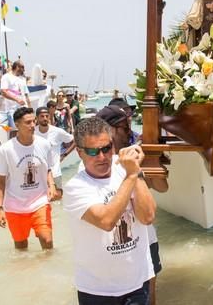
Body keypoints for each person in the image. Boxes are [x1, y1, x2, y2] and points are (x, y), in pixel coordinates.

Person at [62, 117, 156, 304]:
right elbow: (106, 221)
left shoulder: (128, 168)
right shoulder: (75, 187)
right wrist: (131, 175)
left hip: (138, 282)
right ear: (80, 153)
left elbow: (148, 217)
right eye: (93, 151)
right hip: (97, 289)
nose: (102, 157)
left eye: (106, 148)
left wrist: (135, 172)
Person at [0, 107, 56, 250]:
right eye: (28, 122)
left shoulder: (44, 144)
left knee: (47, 241)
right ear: (17, 125)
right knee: (21, 247)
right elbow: (1, 182)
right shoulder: (6, 149)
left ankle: (47, 271)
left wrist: (51, 185)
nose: (33, 125)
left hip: (40, 202)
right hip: (15, 206)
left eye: (34, 121)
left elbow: (48, 169)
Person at [34, 106, 76, 199]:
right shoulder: (33, 133)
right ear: (36, 118)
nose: (45, 118)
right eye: (42, 116)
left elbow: (75, 140)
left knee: (57, 201)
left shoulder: (57, 131)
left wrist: (64, 154)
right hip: (38, 175)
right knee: (40, 202)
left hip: (55, 173)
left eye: (46, 116)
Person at [0, 60, 31, 131]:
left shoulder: (23, 78)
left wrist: (30, 110)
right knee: (15, 131)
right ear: (17, 67)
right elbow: (3, 92)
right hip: (12, 110)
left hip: (24, 110)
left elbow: (26, 95)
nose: (24, 69)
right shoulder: (6, 77)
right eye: (22, 67)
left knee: (25, 130)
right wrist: (17, 99)